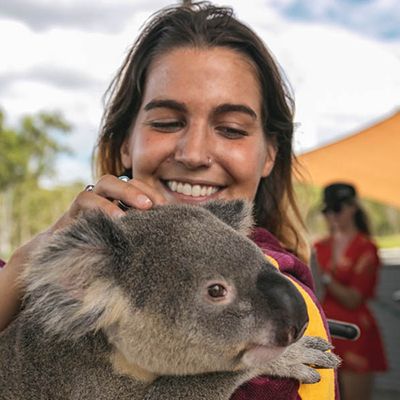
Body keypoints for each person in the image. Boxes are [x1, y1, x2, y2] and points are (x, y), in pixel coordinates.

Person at [0, 2, 338, 399]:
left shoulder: (270, 291)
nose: (194, 154)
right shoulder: (83, 268)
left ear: (269, 155)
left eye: (230, 129)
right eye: (165, 123)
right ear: (125, 144)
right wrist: (29, 264)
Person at [314, 182, 388, 400]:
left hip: (354, 332)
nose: (332, 216)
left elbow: (353, 299)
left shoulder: (365, 247)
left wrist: (325, 277)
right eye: (327, 211)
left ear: (352, 208)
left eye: (337, 209)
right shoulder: (319, 246)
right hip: (325, 329)